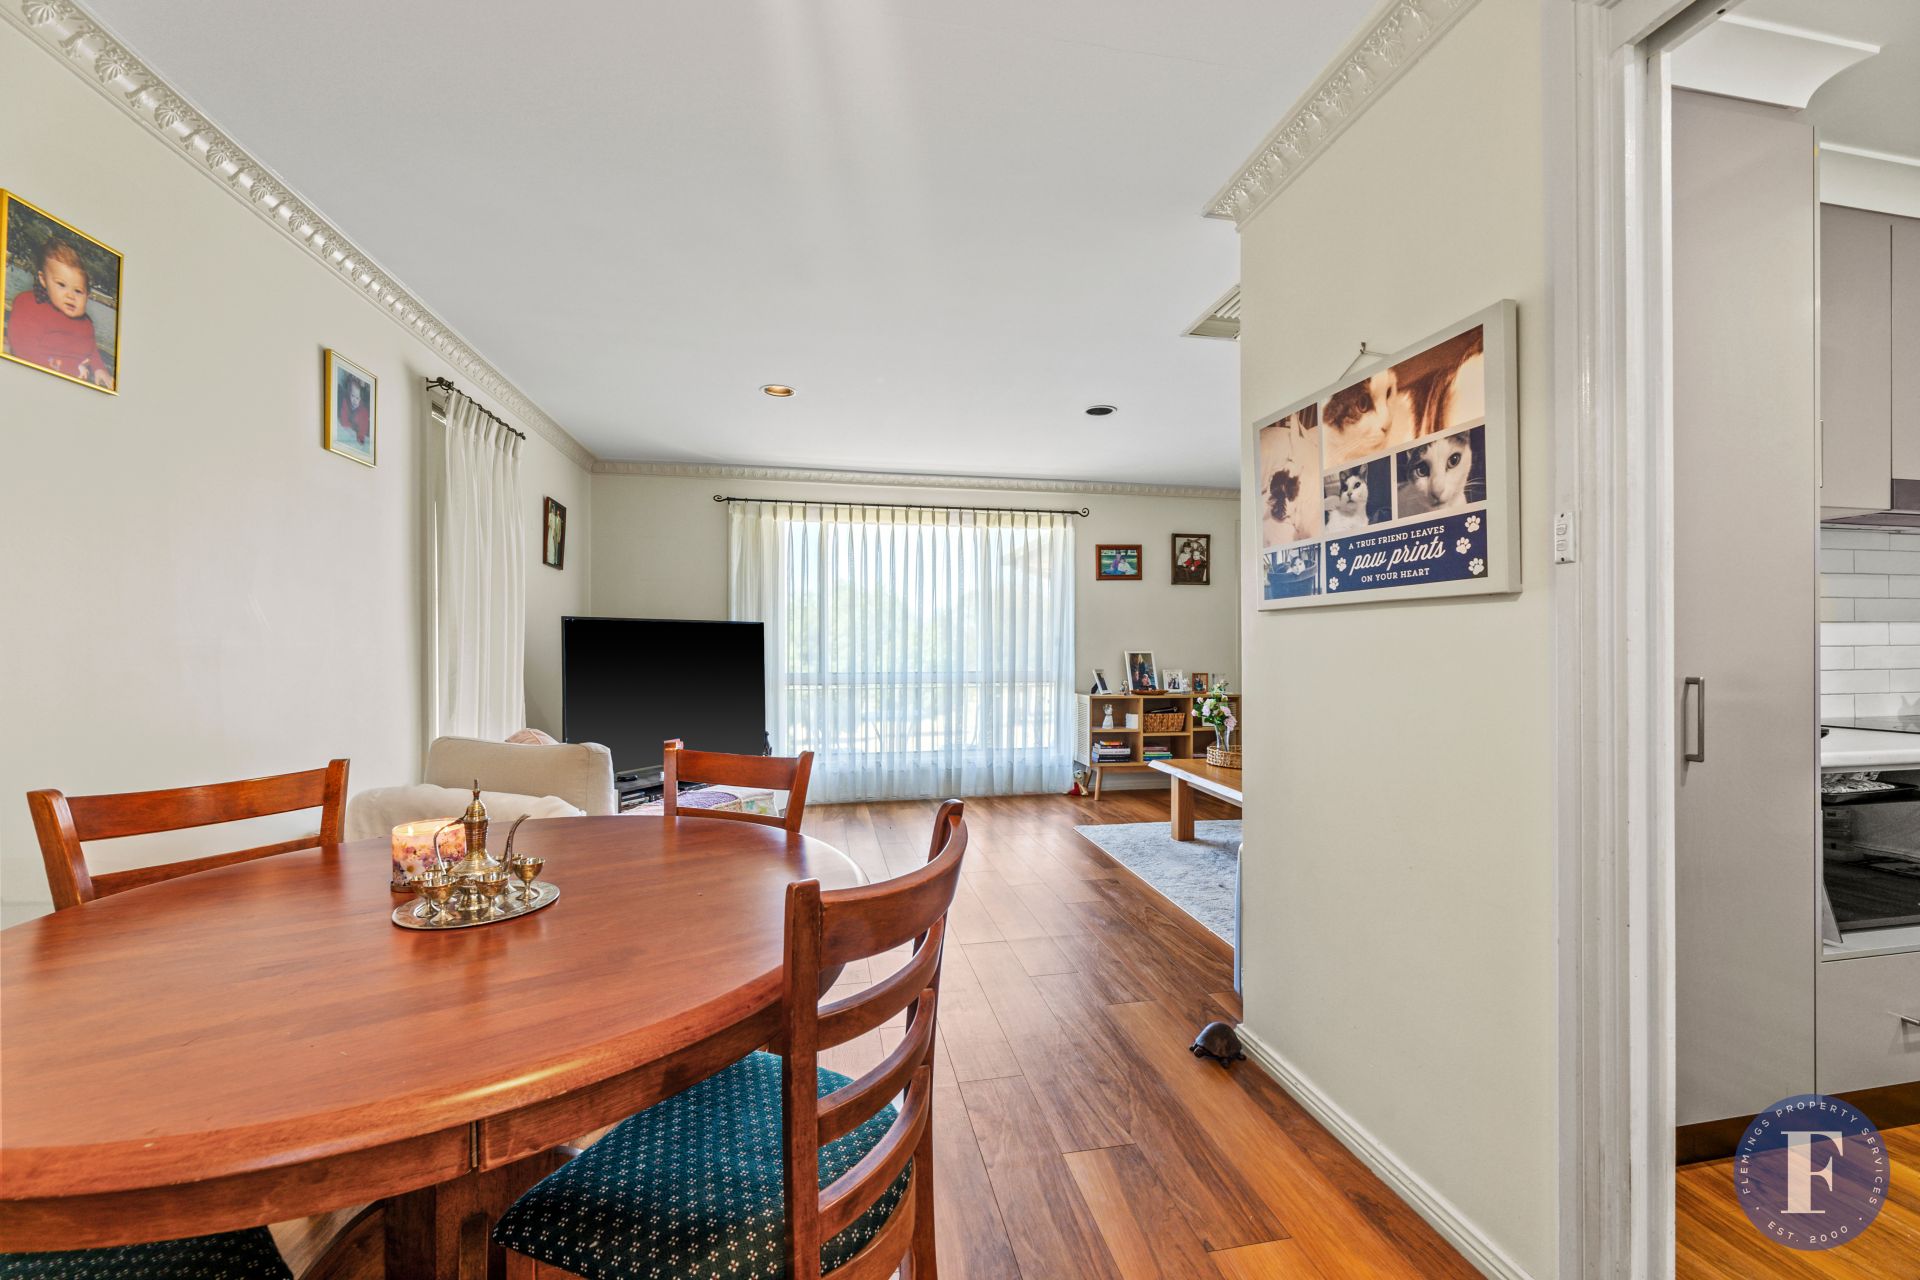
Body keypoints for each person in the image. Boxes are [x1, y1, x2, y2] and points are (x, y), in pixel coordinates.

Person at [5, 237, 113, 388]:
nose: (70, 296)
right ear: (44, 280)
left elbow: (91, 349)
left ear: (87, 295)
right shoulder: (29, 304)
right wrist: (71, 369)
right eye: (61, 285)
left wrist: (99, 368)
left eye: (78, 291)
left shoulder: (85, 322)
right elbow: (24, 350)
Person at [337, 375, 370, 446]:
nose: (354, 400)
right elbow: (344, 421)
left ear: (360, 399)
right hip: (352, 425)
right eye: (352, 396)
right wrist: (349, 425)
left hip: (363, 428)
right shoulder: (346, 402)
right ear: (349, 394)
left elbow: (363, 426)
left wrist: (360, 436)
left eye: (357, 398)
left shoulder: (363, 412)